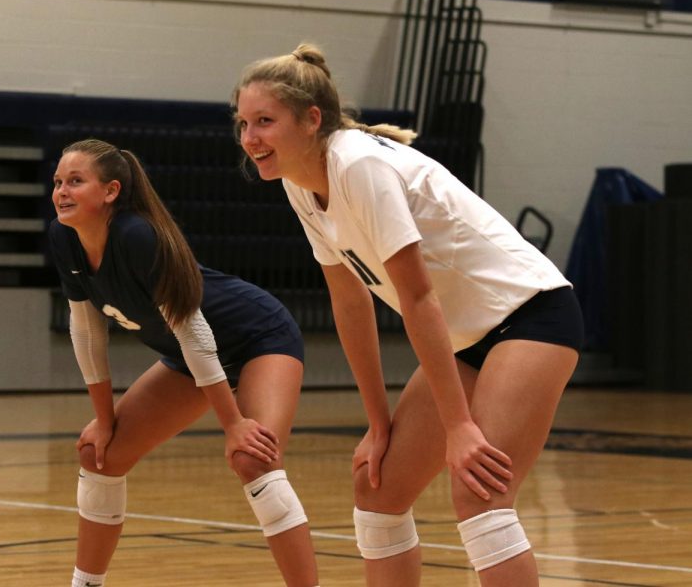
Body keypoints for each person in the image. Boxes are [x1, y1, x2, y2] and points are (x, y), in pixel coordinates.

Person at [231, 43, 582, 587]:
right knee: (378, 486)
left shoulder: (359, 164)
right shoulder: (302, 183)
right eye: (244, 123)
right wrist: (377, 422)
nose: (250, 138)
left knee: (480, 493)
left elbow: (418, 298)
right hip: (466, 337)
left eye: (264, 121)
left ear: (311, 120)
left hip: (530, 316)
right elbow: (350, 303)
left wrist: (458, 426)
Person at [48, 138, 320, 587]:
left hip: (258, 338)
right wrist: (104, 420)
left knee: (253, 459)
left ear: (111, 191)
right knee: (100, 455)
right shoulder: (65, 237)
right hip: (189, 356)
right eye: (58, 181)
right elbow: (87, 331)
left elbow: (195, 332)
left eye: (75, 181)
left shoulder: (137, 236)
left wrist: (233, 424)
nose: (61, 191)